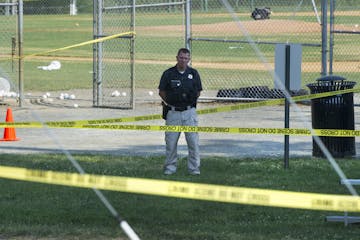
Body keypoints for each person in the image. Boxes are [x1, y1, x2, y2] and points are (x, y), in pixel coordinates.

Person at [158, 48, 203, 175]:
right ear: (177, 58)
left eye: (186, 58)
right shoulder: (168, 74)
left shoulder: (193, 73)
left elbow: (198, 91)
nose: (183, 60)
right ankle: (170, 168)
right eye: (181, 57)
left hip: (189, 113)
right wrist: (173, 103)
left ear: (189, 59)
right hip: (173, 113)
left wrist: (187, 103)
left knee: (193, 142)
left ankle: (194, 169)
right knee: (171, 143)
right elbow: (161, 92)